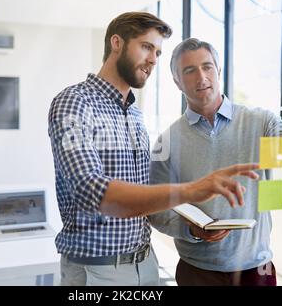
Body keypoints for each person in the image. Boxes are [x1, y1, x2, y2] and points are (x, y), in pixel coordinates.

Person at [48, 14, 259, 286]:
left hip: (146, 264)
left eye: (157, 52)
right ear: (117, 43)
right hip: (97, 272)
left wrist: (191, 226)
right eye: (147, 47)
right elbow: (91, 191)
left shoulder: (135, 115)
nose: (153, 60)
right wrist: (193, 189)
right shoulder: (74, 103)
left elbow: (144, 196)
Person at [148, 38, 282, 286]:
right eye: (189, 71)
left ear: (218, 70)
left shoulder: (261, 124)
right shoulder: (168, 141)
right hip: (197, 271)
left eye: (207, 66)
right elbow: (157, 209)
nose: (201, 77)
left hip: (256, 268)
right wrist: (192, 230)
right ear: (177, 81)